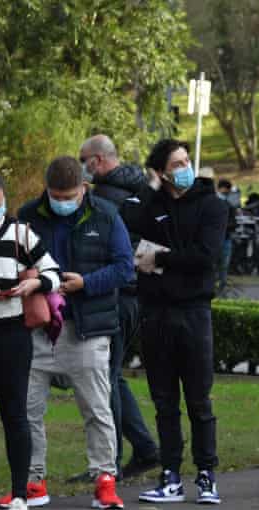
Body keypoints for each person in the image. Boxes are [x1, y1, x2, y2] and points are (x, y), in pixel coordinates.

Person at [15, 156, 133, 510]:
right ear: (46, 190)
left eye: (69, 195)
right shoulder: (28, 215)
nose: (62, 201)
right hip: (38, 327)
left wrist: (86, 284)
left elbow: (124, 268)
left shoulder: (107, 214)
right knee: (27, 410)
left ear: (84, 188)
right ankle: (32, 482)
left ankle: (104, 480)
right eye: (55, 195)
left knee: (97, 409)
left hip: (88, 329)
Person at [123, 139, 228, 505]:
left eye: (187, 160)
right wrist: (150, 187)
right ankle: (170, 475)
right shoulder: (153, 205)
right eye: (176, 163)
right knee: (164, 400)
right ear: (161, 171)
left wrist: (162, 258)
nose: (185, 167)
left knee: (199, 400)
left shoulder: (212, 205)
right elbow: (127, 222)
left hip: (194, 313)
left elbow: (205, 256)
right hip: (156, 313)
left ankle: (206, 474)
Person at [0, 170, 61, 510]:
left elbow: (53, 272)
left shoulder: (21, 232)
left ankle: (20, 495)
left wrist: (33, 287)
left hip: (12, 335)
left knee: (15, 415)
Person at [78, 135, 161, 481]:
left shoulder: (104, 200)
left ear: (98, 161)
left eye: (83, 159)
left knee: (104, 378)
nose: (82, 165)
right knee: (111, 376)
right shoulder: (142, 191)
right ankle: (144, 449)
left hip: (113, 296)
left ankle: (109, 461)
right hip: (136, 295)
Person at [215, 179, 238, 294]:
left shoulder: (229, 204)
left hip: (225, 239)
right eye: (227, 189)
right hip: (215, 240)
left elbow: (234, 222)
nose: (228, 191)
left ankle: (221, 291)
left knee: (223, 267)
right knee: (217, 267)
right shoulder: (212, 202)